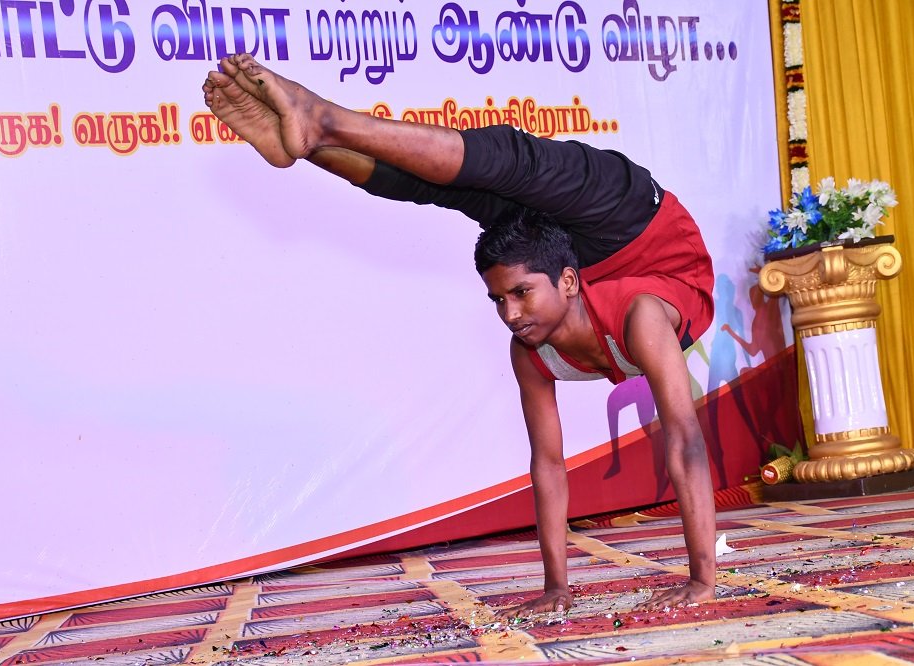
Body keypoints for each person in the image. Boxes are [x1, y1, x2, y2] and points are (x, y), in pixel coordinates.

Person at [202, 54, 718, 615]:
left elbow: (684, 438)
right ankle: (310, 147)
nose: (510, 314)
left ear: (565, 284)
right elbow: (548, 464)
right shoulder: (534, 341)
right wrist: (556, 588)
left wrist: (701, 581)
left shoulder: (641, 318)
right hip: (584, 257)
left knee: (510, 161)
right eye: (500, 300)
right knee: (450, 187)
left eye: (519, 296)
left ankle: (323, 121)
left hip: (640, 226)